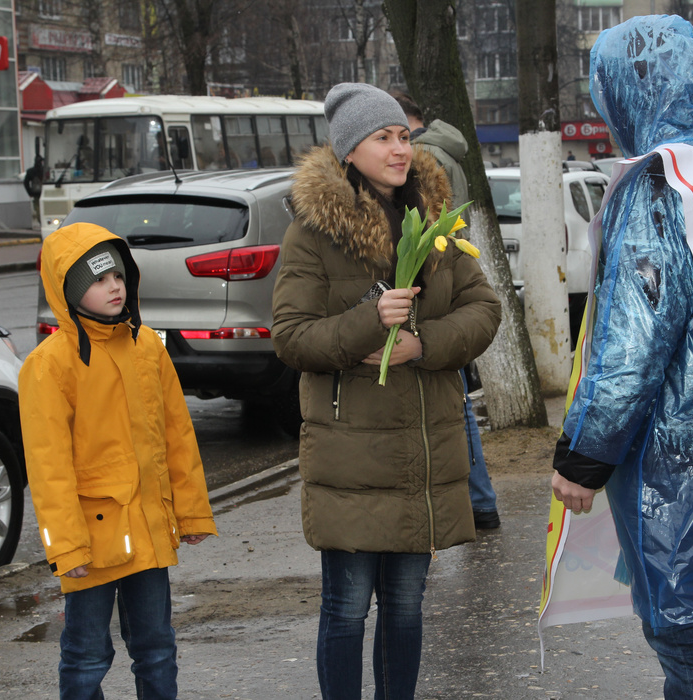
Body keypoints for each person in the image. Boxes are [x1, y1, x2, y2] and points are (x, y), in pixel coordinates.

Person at [549, 16, 693, 700]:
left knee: (682, 623)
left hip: (673, 452)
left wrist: (584, 454)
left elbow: (633, 344)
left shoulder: (657, 185)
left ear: (629, 90)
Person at [271, 82, 501, 699]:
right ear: (350, 151)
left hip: (422, 454)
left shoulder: (435, 222)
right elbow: (290, 337)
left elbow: (485, 308)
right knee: (346, 610)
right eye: (383, 138)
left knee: (405, 608)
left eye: (403, 135)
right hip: (351, 457)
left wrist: (421, 345)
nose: (400, 148)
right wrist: (369, 320)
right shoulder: (313, 232)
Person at [19, 222, 217, 700]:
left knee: (157, 648)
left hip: (147, 530)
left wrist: (190, 512)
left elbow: (177, 436)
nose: (114, 287)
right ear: (69, 291)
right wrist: (67, 547)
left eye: (118, 276)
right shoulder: (49, 365)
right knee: (87, 655)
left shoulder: (147, 346)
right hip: (90, 542)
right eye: (98, 280)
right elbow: (48, 467)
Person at [394, 92, 501, 529]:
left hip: (436, 276)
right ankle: (480, 500)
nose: (395, 148)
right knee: (456, 400)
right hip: (445, 267)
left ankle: (478, 501)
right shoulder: (447, 149)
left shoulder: (423, 157)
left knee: (453, 403)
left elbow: (431, 228)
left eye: (396, 133)